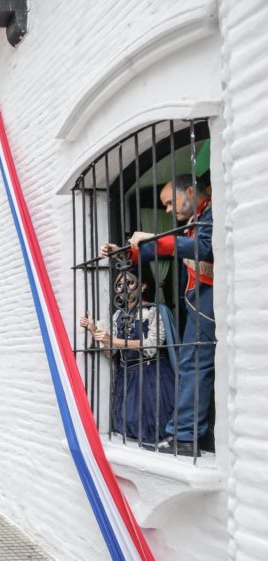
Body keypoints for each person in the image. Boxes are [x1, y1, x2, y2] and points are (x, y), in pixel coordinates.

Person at [102, 174, 214, 454]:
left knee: (194, 365)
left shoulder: (210, 214)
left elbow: (204, 248)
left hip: (209, 301)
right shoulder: (192, 222)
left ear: (190, 191)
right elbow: (158, 251)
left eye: (168, 203)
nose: (166, 210)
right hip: (197, 302)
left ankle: (186, 436)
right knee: (192, 366)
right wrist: (123, 253)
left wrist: (155, 238)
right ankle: (185, 434)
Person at [80, 267, 176, 447]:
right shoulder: (118, 315)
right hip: (127, 377)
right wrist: (94, 330)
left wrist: (112, 339)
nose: (124, 288)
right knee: (131, 432)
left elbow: (151, 346)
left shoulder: (156, 311)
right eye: (119, 285)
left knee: (155, 430)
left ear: (144, 285)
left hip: (152, 376)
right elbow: (110, 352)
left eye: (130, 283)